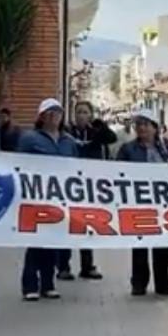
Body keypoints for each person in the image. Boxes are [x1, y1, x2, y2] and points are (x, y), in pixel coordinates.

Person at [18, 99, 79, 301]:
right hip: (35, 197)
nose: (54, 116)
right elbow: (17, 164)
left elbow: (78, 167)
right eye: (49, 112)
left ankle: (48, 284)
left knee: (53, 241)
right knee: (35, 242)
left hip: (59, 199)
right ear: (41, 116)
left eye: (57, 112)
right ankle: (29, 286)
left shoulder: (68, 141)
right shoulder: (29, 139)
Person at [117, 110, 168, 296]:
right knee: (140, 246)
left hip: (162, 205)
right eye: (139, 124)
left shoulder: (166, 146)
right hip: (138, 204)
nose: (142, 128)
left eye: (146, 124)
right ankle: (139, 284)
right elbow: (117, 172)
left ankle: (162, 284)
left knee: (162, 247)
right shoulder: (127, 149)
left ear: (155, 127)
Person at [57, 101, 116, 281]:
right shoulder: (67, 132)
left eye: (85, 112)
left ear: (90, 115)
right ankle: (63, 267)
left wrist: (100, 125)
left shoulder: (95, 132)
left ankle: (87, 265)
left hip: (89, 186)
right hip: (70, 184)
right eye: (79, 112)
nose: (81, 116)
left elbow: (111, 138)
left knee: (87, 225)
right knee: (67, 226)